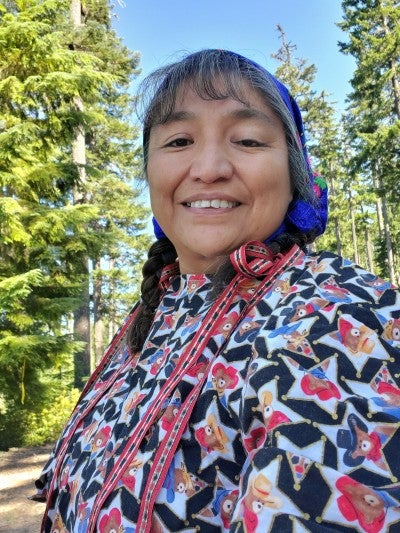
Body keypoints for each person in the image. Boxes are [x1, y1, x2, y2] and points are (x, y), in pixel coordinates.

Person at [33, 49, 400, 532]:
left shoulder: (342, 315)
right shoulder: (150, 317)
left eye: (247, 140)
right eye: (179, 140)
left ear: (295, 176)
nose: (208, 167)